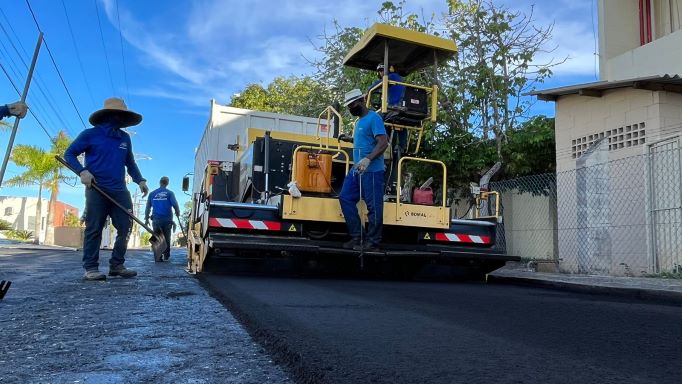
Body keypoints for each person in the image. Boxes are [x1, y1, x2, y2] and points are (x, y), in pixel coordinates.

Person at [64, 97, 148, 281]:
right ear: (109, 115)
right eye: (119, 115)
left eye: (124, 116)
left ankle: (117, 265)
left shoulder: (124, 138)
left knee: (126, 226)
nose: (122, 119)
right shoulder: (90, 135)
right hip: (96, 188)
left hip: (119, 190)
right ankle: (91, 268)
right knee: (94, 228)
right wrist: (82, 171)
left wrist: (140, 180)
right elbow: (69, 154)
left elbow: (130, 163)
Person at [339, 89, 388, 252]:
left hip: (372, 170)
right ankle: (358, 236)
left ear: (361, 101)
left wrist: (368, 159)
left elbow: (383, 143)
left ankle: (373, 242)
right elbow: (366, 138)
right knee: (345, 197)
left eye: (351, 105)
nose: (350, 108)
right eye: (348, 106)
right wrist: (350, 139)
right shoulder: (359, 122)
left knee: (373, 207)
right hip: (357, 169)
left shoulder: (374, 118)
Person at [369, 63, 407, 152]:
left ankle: (382, 142)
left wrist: (368, 92)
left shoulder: (392, 76)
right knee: (399, 123)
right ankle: (401, 145)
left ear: (388, 70)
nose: (381, 73)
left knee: (377, 117)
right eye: (379, 71)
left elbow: (376, 84)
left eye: (382, 70)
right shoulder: (396, 78)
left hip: (395, 107)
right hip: (400, 107)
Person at [145, 176, 180, 261]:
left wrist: (146, 218)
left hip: (156, 220)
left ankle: (158, 256)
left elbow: (148, 207)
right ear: (167, 183)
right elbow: (175, 204)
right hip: (167, 220)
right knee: (167, 237)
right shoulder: (170, 193)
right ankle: (166, 255)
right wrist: (177, 212)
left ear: (160, 182)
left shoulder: (152, 193)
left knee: (158, 237)